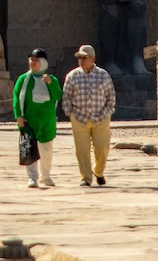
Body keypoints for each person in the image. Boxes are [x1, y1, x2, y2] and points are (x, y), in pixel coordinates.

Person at [62, 45, 117, 187]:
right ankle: (86, 178)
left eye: (84, 58)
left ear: (92, 59)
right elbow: (66, 96)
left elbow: (111, 96)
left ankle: (98, 171)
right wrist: (70, 113)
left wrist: (107, 112)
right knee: (82, 151)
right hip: (79, 118)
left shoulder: (104, 75)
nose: (81, 60)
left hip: (101, 118)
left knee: (102, 149)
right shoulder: (72, 76)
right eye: (79, 58)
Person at [12, 49, 62, 188]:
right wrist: (19, 116)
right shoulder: (23, 80)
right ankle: (32, 178)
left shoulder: (52, 79)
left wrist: (50, 83)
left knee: (46, 151)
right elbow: (17, 97)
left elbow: (57, 95)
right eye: (31, 60)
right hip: (30, 121)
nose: (32, 63)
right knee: (30, 150)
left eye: (36, 60)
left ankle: (45, 176)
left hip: (46, 121)